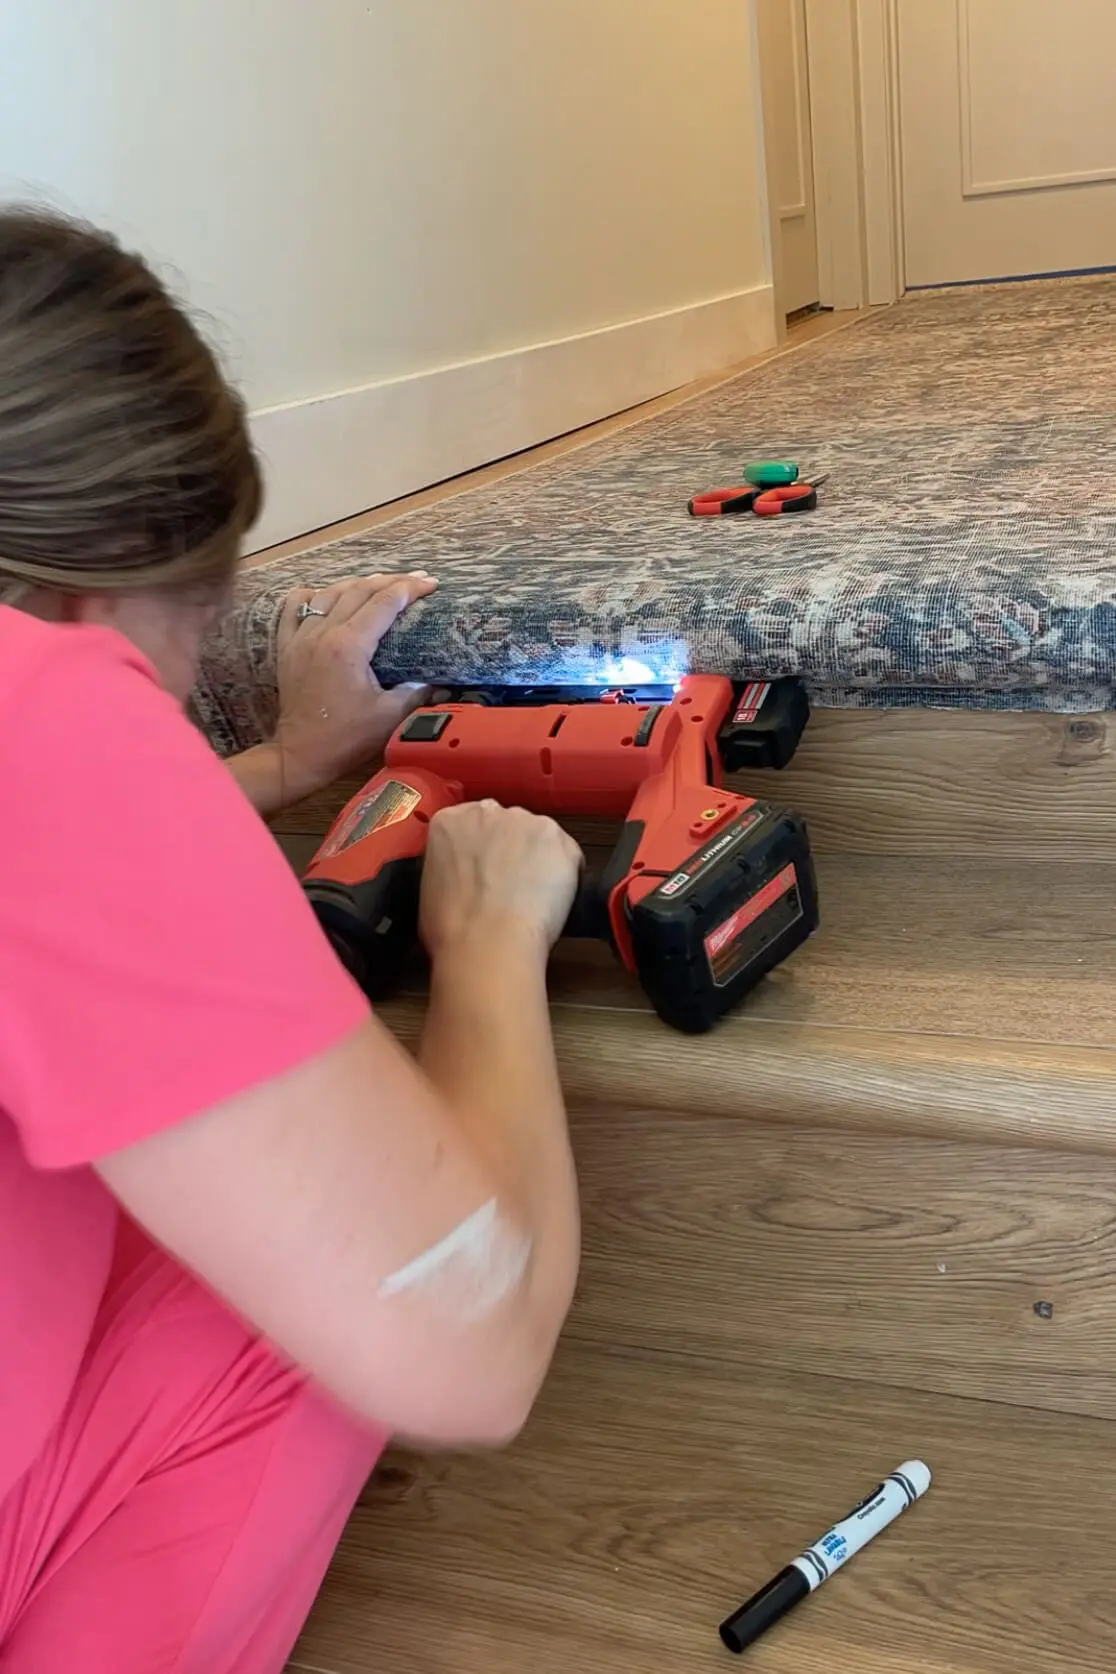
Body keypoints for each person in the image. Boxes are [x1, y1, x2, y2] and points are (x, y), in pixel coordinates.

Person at [0, 208, 583, 1672]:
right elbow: (471, 1345)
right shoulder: (46, 717)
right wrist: (491, 951)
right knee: (311, 1276)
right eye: (193, 631)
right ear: (100, 584)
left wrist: (276, 770)